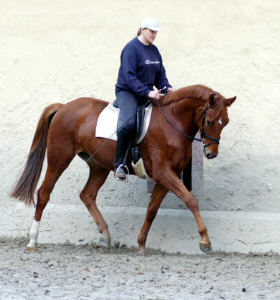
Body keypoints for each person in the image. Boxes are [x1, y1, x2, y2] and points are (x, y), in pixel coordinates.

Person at [114, 16, 174, 180]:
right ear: (142, 29)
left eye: (156, 32)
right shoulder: (131, 49)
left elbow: (160, 75)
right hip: (128, 92)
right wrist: (147, 92)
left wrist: (166, 87)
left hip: (146, 92)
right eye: (152, 31)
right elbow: (129, 77)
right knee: (127, 124)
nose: (154, 34)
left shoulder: (154, 51)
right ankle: (120, 164)